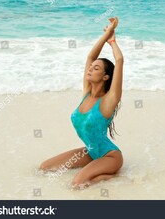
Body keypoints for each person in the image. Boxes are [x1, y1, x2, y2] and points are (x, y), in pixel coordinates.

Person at [39, 17, 124, 189]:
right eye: (91, 67)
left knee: (77, 184)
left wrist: (113, 41)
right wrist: (107, 33)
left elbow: (119, 61)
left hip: (110, 156)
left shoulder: (109, 100)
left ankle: (108, 176)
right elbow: (91, 56)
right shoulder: (86, 94)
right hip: (92, 153)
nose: (91, 68)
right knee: (44, 169)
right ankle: (100, 172)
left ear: (106, 77)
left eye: (97, 68)